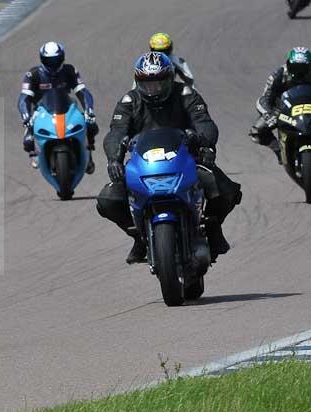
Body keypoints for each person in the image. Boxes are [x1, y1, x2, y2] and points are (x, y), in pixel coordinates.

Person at [96, 52, 242, 264]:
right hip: (143, 164)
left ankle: (213, 229)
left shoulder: (185, 93)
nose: (153, 88)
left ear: (170, 77)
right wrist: (114, 159)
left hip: (186, 159)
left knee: (226, 192)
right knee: (108, 200)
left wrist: (205, 143)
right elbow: (115, 133)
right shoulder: (129, 101)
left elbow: (205, 122)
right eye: (147, 83)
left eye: (159, 82)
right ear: (138, 81)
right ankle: (138, 236)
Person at [18, 41, 99, 172]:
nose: (53, 64)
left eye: (56, 60)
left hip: (66, 107)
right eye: (49, 61)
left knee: (91, 125)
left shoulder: (70, 70)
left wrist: (89, 111)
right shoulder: (33, 75)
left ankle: (88, 153)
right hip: (41, 110)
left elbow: (83, 92)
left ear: (62, 58)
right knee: (28, 140)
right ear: (42, 59)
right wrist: (26, 117)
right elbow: (24, 99)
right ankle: (34, 153)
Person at [249, 47, 311, 164]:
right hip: (283, 110)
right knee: (257, 131)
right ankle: (279, 151)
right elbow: (264, 99)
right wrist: (269, 114)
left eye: (303, 69)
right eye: (295, 68)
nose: (299, 72)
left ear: (310, 67)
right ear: (288, 65)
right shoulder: (279, 75)